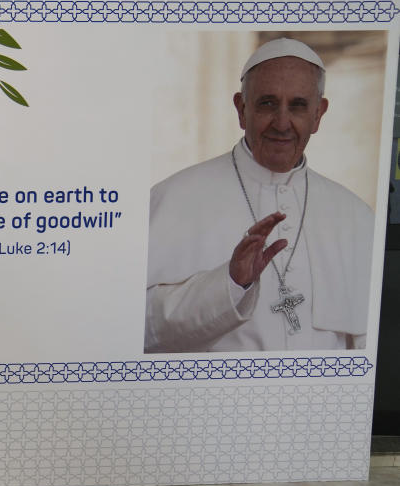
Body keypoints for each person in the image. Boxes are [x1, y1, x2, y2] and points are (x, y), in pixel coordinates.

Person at [146, 37, 373, 352]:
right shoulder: (173, 198)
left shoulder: (356, 216)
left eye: (297, 105)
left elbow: (369, 347)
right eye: (267, 103)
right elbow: (137, 328)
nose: (282, 123)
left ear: (318, 114)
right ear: (241, 109)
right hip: (216, 397)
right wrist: (229, 284)